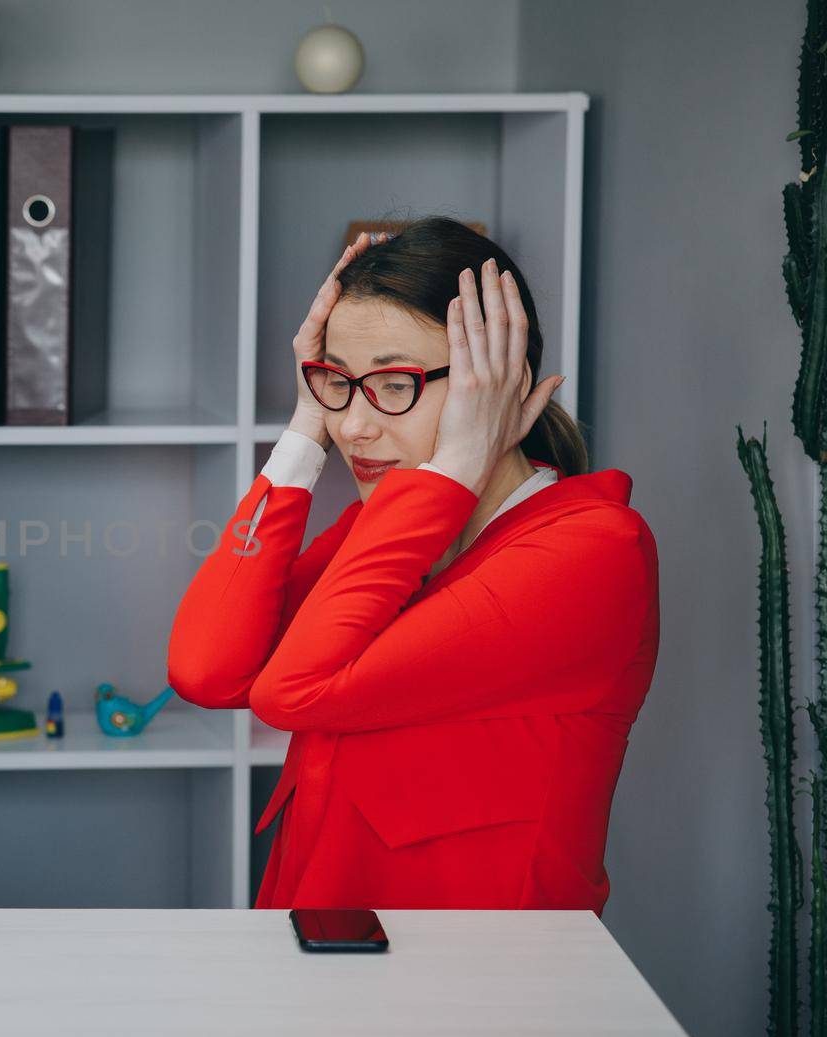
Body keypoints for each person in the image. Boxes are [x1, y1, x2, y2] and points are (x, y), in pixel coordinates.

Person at [168, 217, 660, 915]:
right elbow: (207, 668)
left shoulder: (594, 550)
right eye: (337, 379)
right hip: (318, 949)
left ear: (496, 382)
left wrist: (460, 462)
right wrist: (305, 428)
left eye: (394, 382)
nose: (356, 426)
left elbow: (291, 691)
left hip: (476, 986)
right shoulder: (390, 528)